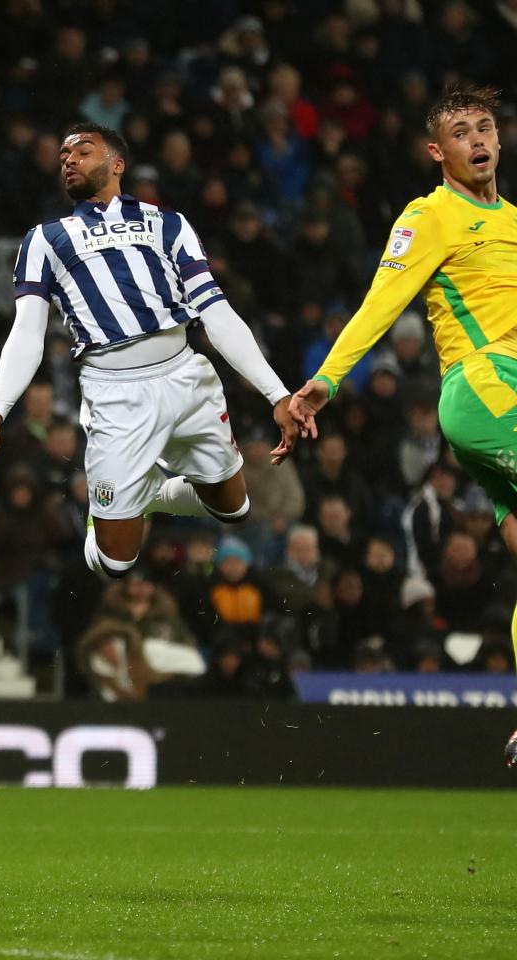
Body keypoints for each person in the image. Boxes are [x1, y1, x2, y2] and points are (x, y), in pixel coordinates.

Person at [285, 86, 517, 764]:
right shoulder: (430, 215)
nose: (477, 139)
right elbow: (380, 304)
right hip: (484, 388)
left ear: (499, 141)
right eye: (460, 132)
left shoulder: (513, 220)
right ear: (435, 151)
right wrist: (326, 379)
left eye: (485, 128)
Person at [0, 121, 298, 581]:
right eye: (63, 158)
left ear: (117, 164)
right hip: (114, 393)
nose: (69, 161)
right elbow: (26, 332)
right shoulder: (45, 239)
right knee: (117, 563)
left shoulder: (169, 224)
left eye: (82, 151)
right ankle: (112, 511)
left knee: (235, 508)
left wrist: (276, 394)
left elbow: (216, 314)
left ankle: (152, 493)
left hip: (184, 376)